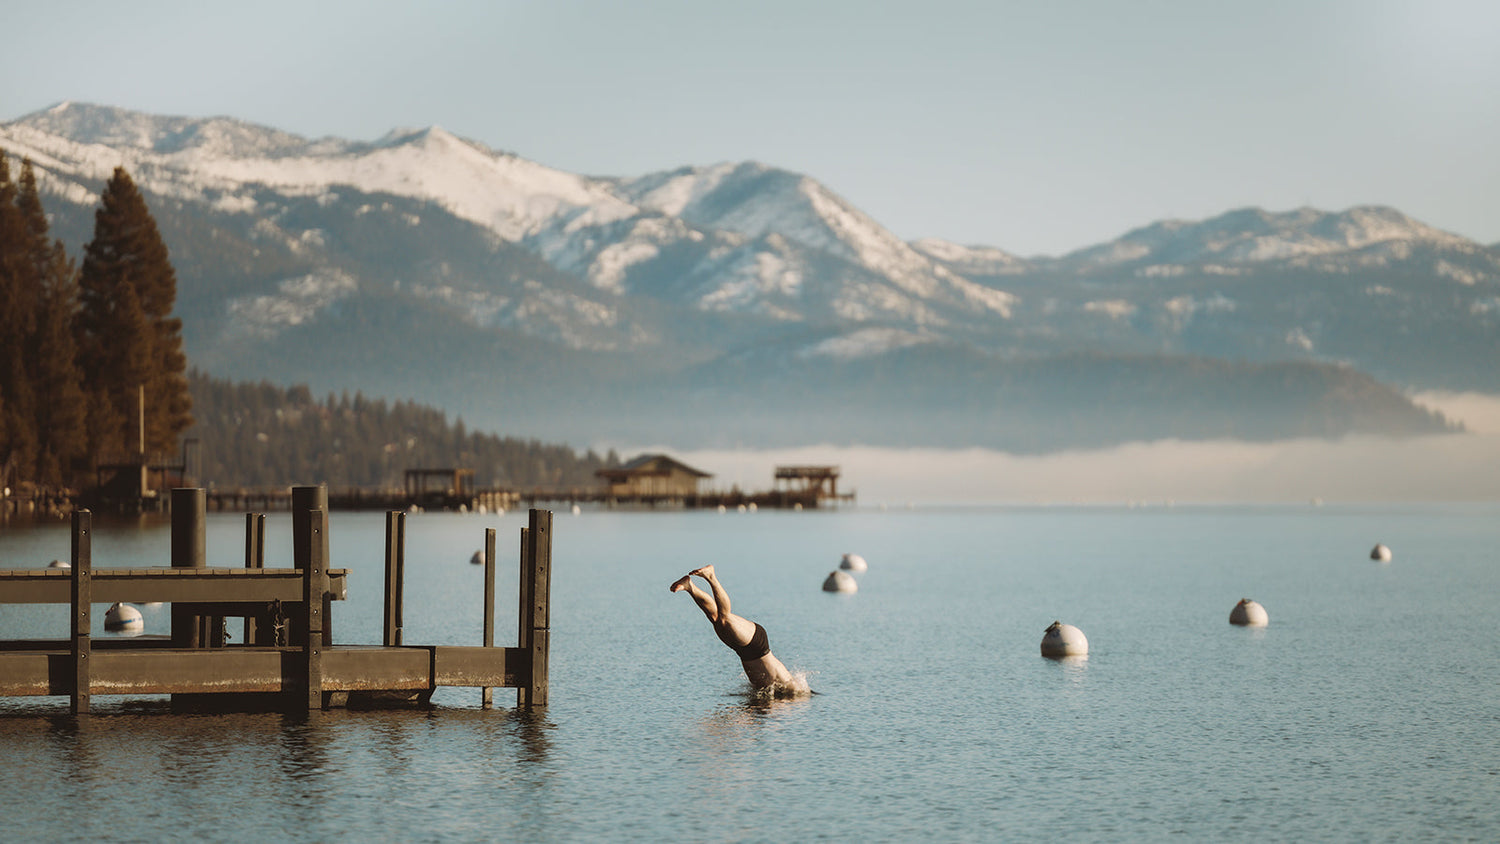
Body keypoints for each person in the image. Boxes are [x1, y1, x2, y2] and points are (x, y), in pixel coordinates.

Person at [670, 565, 798, 692]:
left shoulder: (781, 694)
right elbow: (798, 691)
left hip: (744, 651)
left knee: (715, 618)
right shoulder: (792, 690)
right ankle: (711, 576)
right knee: (724, 618)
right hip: (756, 646)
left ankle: (689, 587)